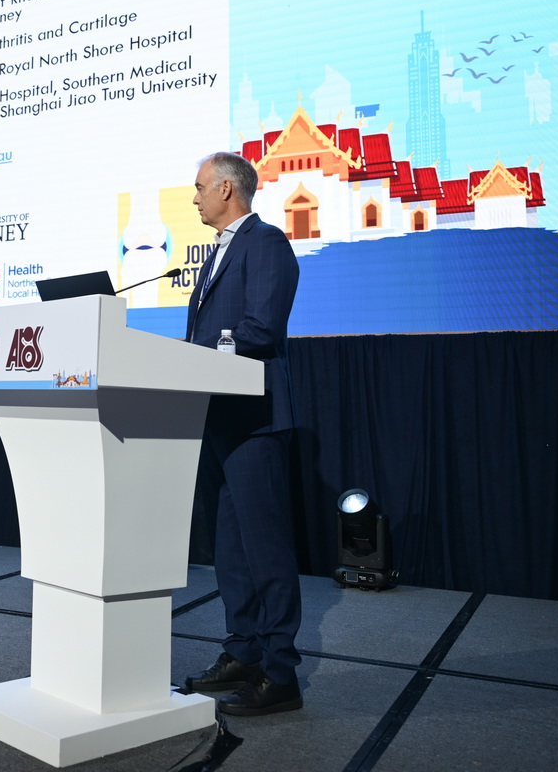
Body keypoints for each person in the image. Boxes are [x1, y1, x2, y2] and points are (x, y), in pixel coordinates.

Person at [182, 151, 303, 717]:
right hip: (218, 418)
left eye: (201, 187)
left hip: (255, 419)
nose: (196, 197)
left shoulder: (267, 243)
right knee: (230, 550)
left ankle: (280, 674)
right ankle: (244, 652)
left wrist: (194, 355)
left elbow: (261, 328)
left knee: (264, 548)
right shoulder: (215, 254)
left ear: (227, 189)